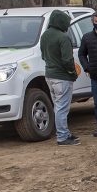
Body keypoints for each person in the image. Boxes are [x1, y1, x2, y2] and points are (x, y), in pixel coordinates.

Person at [40, 9, 80, 146]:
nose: (68, 26)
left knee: (58, 106)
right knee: (62, 108)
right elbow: (67, 60)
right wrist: (73, 73)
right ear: (61, 22)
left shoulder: (44, 35)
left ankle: (65, 133)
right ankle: (62, 136)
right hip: (62, 77)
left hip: (49, 76)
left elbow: (43, 56)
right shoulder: (63, 38)